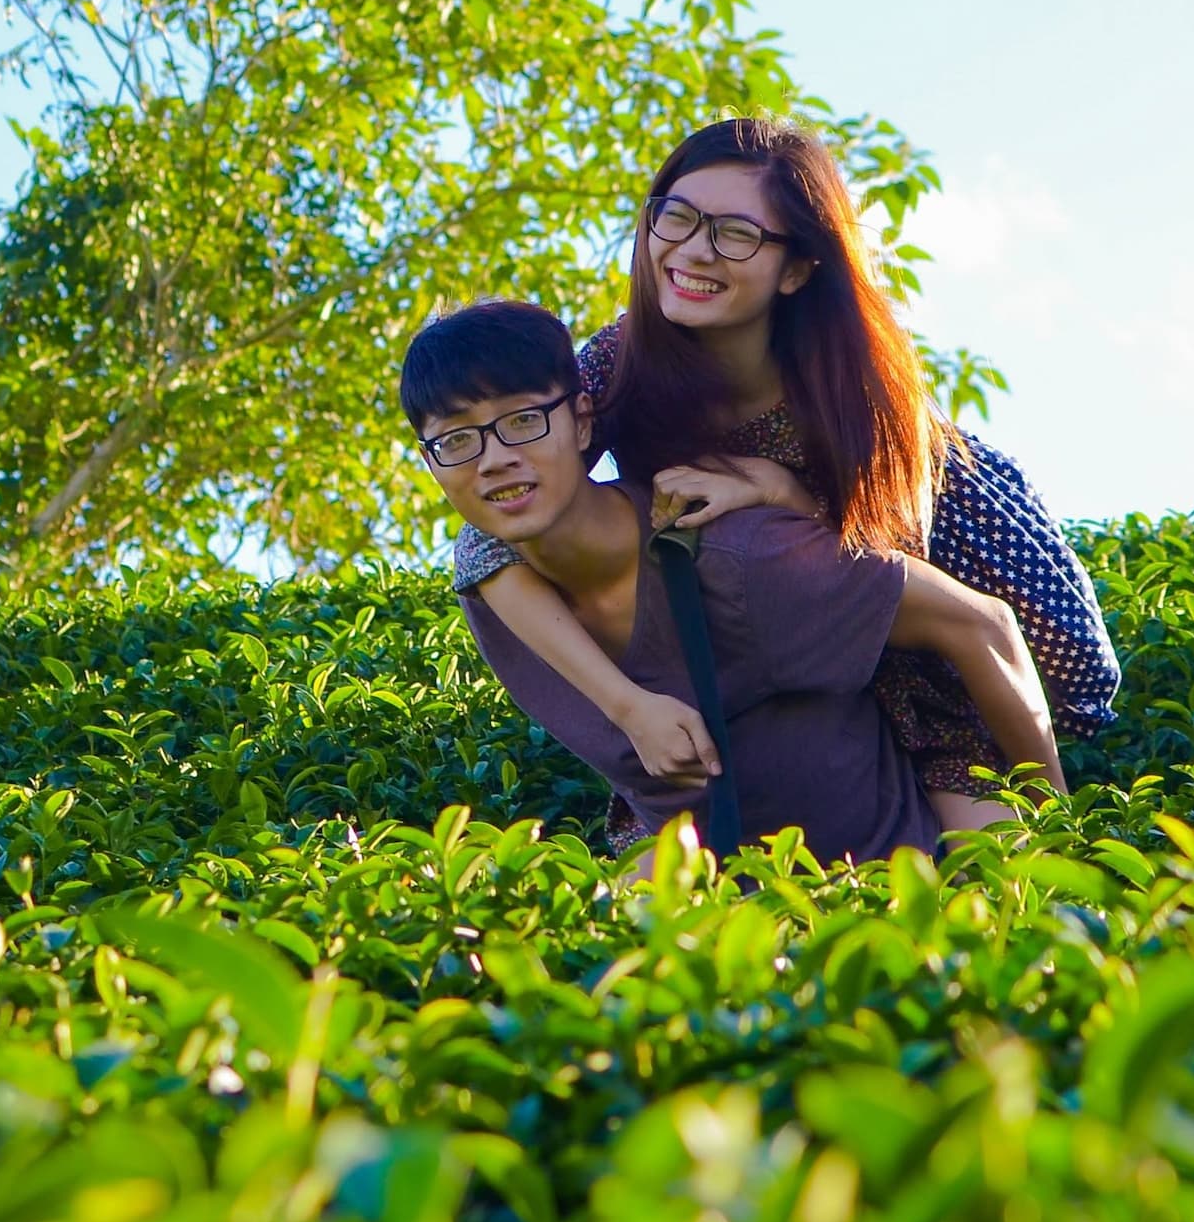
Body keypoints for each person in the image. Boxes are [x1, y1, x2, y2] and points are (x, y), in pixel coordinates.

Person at [454, 116, 1118, 834]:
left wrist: (777, 488)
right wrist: (626, 704)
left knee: (1011, 874)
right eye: (675, 218)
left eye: (735, 234)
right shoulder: (621, 363)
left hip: (926, 670)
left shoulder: (853, 386)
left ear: (798, 268)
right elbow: (490, 540)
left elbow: (893, 567)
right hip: (768, 672)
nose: (691, 251)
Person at [404, 299, 1056, 865]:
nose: (494, 458)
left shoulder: (738, 557)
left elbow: (984, 624)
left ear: (581, 420)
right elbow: (477, 548)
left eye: (522, 421)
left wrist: (1067, 823)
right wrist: (630, 707)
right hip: (713, 921)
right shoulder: (495, 596)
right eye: (456, 440)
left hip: (889, 886)